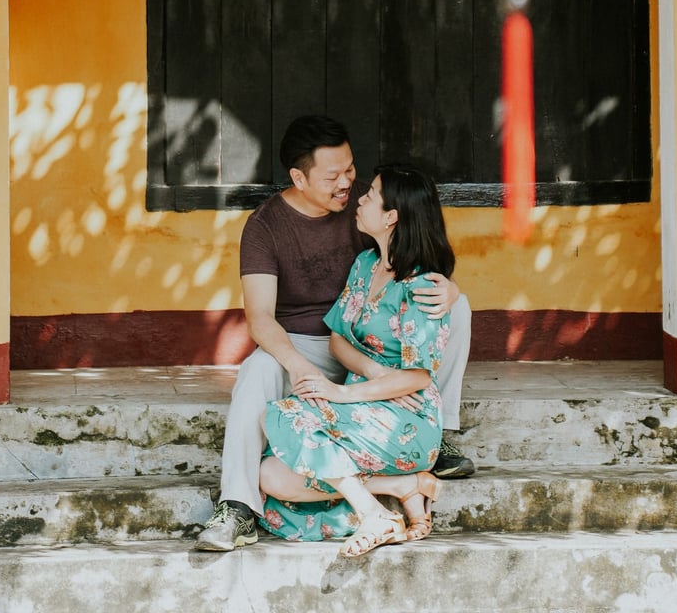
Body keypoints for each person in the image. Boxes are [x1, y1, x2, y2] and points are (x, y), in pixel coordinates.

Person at [194, 115, 473, 552]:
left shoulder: (364, 205)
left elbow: (411, 250)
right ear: (299, 178)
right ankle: (238, 506)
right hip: (308, 344)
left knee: (459, 308)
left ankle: (438, 433)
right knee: (257, 371)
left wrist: (449, 288)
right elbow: (260, 318)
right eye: (332, 176)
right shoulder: (265, 227)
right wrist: (299, 367)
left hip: (369, 341)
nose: (347, 184)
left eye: (350, 169)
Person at [258, 163, 454, 557]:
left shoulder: (422, 286)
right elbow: (337, 342)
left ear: (391, 216)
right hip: (361, 406)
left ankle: (372, 513)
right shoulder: (365, 264)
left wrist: (340, 394)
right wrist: (373, 372)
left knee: (284, 416)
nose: (359, 200)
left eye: (371, 196)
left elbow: (417, 377)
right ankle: (399, 487)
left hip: (406, 419)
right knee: (271, 474)